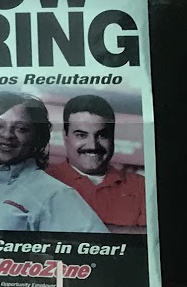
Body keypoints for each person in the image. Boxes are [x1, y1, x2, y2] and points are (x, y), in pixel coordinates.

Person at [0, 91, 106, 233]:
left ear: (36, 138)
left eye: (21, 128)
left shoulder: (54, 194)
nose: (7, 135)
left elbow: (97, 250)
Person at [47, 93, 148, 231]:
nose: (93, 145)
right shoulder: (43, 181)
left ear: (112, 136)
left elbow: (150, 238)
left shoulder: (141, 186)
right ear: (65, 136)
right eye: (81, 135)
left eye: (102, 135)